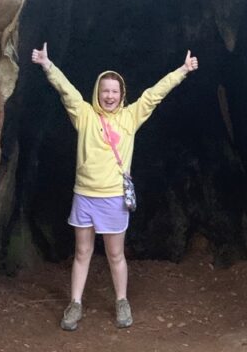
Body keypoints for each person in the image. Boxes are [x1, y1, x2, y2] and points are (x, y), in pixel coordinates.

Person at [30, 44, 199, 330]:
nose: (109, 96)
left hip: (113, 198)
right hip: (84, 195)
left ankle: (122, 301)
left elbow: (154, 95)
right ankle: (75, 304)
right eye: (105, 90)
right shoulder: (84, 114)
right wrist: (48, 65)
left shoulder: (129, 118)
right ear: (98, 92)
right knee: (82, 252)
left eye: (115, 91)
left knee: (115, 254)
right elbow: (67, 90)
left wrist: (182, 71)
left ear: (121, 95)